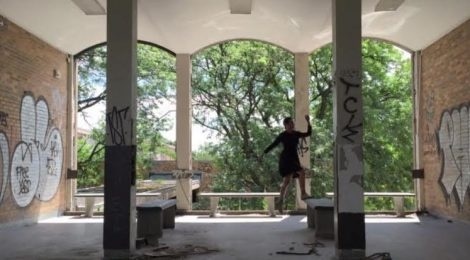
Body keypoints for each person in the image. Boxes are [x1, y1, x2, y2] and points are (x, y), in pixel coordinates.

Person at [263, 115, 312, 213]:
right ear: (285, 125)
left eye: (292, 123)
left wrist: (308, 122)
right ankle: (303, 193)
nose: (292, 125)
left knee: (286, 182)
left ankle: (280, 200)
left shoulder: (296, 134)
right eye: (290, 123)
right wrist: (264, 152)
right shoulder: (282, 135)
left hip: (294, 158)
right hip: (286, 159)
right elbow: (274, 144)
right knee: (301, 172)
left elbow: (308, 133)